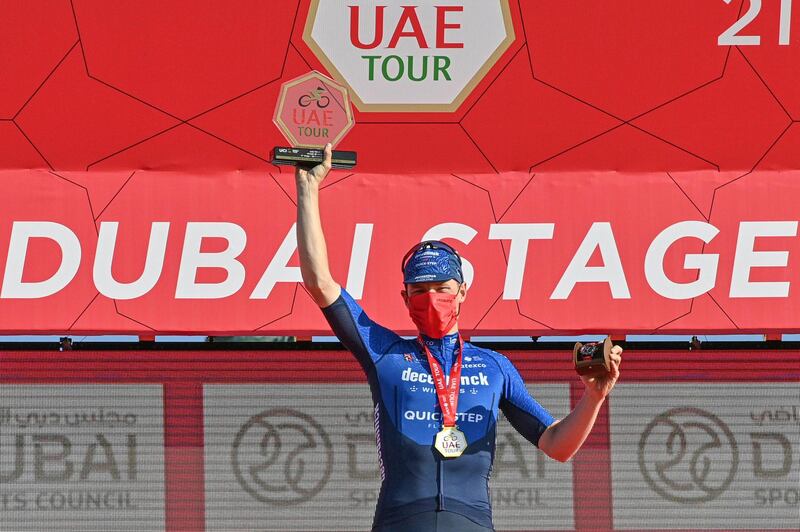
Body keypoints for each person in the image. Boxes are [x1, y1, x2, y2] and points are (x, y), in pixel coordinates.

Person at [295, 144, 623, 532]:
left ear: (463, 290)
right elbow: (320, 284)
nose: (431, 298)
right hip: (400, 522)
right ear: (404, 297)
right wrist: (308, 188)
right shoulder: (384, 351)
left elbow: (557, 445)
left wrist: (594, 397)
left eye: (442, 287)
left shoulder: (494, 366)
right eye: (419, 290)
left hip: (471, 522)